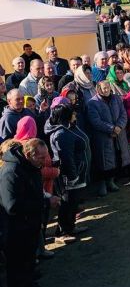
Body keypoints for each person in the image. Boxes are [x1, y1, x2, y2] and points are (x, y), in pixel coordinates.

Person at [0, 138, 60, 287]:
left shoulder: (31, 167)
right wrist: (44, 203)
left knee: (27, 269)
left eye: (46, 156)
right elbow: (12, 205)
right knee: (17, 272)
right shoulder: (12, 172)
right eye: (41, 157)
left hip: (29, 228)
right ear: (28, 155)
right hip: (16, 232)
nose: (45, 160)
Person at [44, 101, 90, 242]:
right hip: (69, 175)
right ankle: (63, 231)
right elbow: (66, 157)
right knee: (67, 202)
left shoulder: (70, 127)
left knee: (73, 201)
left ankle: (70, 226)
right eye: (72, 112)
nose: (75, 114)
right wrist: (72, 176)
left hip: (78, 170)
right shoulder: (61, 134)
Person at [86, 80, 130, 197]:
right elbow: (95, 121)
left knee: (115, 158)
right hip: (102, 137)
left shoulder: (116, 98)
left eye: (107, 87)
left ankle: (111, 181)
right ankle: (102, 184)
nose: (106, 90)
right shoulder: (92, 103)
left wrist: (119, 127)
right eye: (103, 88)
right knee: (103, 160)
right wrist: (111, 128)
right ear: (98, 89)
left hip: (118, 134)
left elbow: (123, 114)